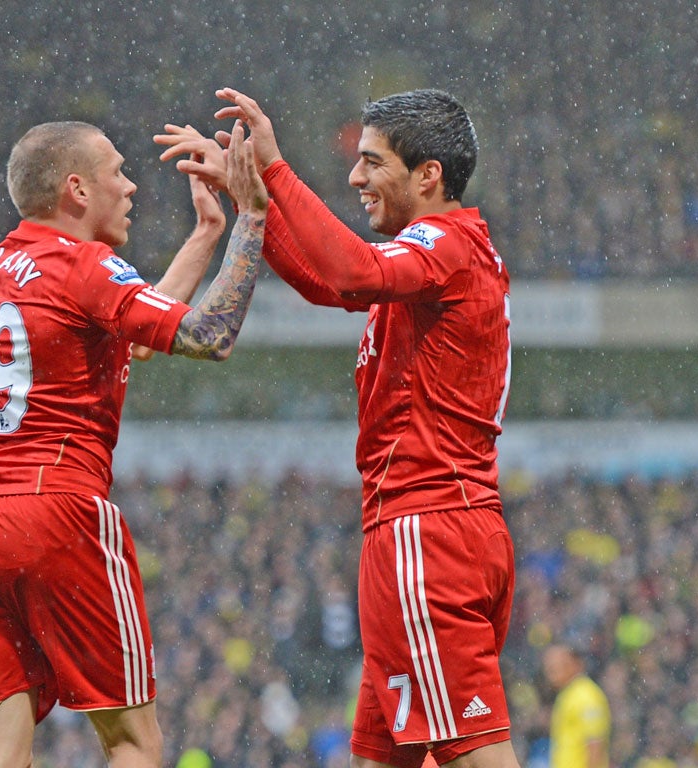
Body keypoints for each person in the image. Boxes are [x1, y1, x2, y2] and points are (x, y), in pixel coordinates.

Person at [156, 86, 516, 768]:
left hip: (426, 530)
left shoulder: (440, 241)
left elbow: (349, 273)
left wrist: (277, 171)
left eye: (372, 162)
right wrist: (252, 199)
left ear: (428, 175)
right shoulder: (443, 256)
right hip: (442, 528)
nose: (355, 178)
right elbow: (330, 284)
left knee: (474, 755)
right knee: (381, 758)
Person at [0, 118, 268, 767]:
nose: (132, 186)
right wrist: (252, 216)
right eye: (119, 171)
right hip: (53, 513)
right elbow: (207, 336)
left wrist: (205, 236)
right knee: (133, 741)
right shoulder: (84, 264)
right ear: (78, 190)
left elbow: (128, 333)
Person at [542, 644, 611, 768]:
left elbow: (595, 742)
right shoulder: (568, 694)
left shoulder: (586, 695)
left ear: (576, 664)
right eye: (550, 666)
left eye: (560, 664)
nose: (552, 670)